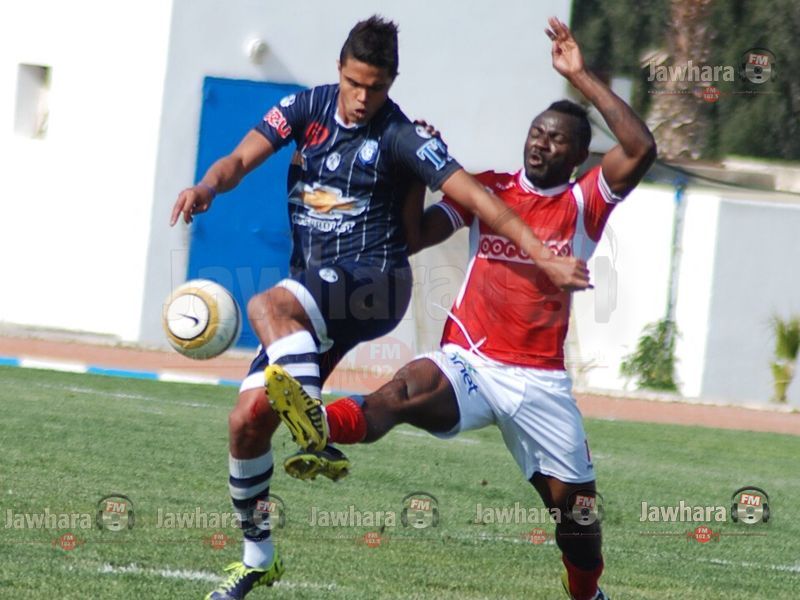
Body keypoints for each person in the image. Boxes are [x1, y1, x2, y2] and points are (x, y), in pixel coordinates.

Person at [170, 15, 590, 600]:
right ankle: (258, 558)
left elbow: (479, 199)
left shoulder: (402, 135)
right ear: (339, 71)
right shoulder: (304, 108)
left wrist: (544, 256)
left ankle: (312, 422)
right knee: (246, 423)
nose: (363, 98)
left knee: (267, 303)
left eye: (376, 87)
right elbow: (238, 160)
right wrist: (206, 187)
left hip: (376, 282)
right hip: (316, 299)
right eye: (354, 83)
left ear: (392, 82)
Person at [267, 17, 656, 600]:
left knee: (577, 522)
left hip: (538, 382)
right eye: (536, 132)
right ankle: (321, 425)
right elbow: (414, 236)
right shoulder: (491, 187)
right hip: (468, 360)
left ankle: (586, 591)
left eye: (556, 139)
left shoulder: (585, 201)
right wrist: (413, 173)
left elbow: (642, 147)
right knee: (403, 389)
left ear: (580, 157)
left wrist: (579, 76)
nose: (540, 143)